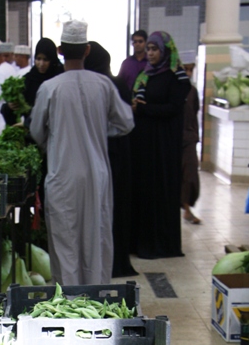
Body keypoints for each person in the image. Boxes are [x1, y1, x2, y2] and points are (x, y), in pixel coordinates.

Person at [30, 20, 134, 286]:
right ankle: (97, 302)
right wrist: (98, 131)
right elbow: (126, 123)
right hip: (96, 175)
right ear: (87, 50)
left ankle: (68, 306)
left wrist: (56, 138)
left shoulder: (50, 88)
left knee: (65, 240)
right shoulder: (103, 85)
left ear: (61, 50)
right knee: (95, 238)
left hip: (63, 175)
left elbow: (37, 132)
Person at [130, 31, 191, 259]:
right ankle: (143, 241)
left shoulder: (176, 77)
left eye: (155, 49)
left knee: (162, 190)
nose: (151, 53)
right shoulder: (147, 75)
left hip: (164, 145)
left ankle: (163, 244)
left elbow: (173, 108)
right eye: (149, 49)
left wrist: (144, 109)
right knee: (146, 191)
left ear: (165, 50)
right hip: (146, 144)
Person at [84, 41, 137, 277]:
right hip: (119, 157)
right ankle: (115, 260)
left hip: (106, 156)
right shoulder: (115, 85)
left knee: (102, 210)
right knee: (115, 209)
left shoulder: (100, 87)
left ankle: (101, 263)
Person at [1, 37, 64, 127]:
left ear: (52, 60)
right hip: (32, 134)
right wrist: (10, 107)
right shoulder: (28, 80)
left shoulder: (61, 77)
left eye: (45, 60)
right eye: (38, 59)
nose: (41, 64)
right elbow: (15, 115)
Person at [180, 60, 201, 224]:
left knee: (190, 174)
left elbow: (193, 112)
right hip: (174, 139)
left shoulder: (193, 92)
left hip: (189, 138)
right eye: (185, 69)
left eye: (191, 70)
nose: (188, 73)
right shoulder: (175, 90)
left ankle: (187, 209)